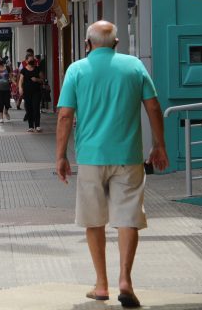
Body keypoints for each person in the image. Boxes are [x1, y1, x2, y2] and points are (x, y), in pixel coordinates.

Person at [56, 21, 169, 309]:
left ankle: (101, 285)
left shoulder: (76, 70)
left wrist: (61, 155)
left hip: (91, 158)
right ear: (117, 43)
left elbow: (65, 116)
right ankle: (125, 281)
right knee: (128, 218)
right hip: (128, 156)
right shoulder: (134, 67)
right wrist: (159, 145)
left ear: (87, 44)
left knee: (94, 220)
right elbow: (154, 106)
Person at [19, 54, 43, 132]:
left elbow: (42, 80)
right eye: (30, 60)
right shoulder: (24, 70)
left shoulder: (37, 69)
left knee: (36, 108)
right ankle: (30, 126)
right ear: (26, 61)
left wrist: (37, 79)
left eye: (33, 60)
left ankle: (37, 125)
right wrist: (20, 88)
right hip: (27, 92)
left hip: (36, 92)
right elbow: (21, 80)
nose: (32, 61)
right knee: (29, 109)